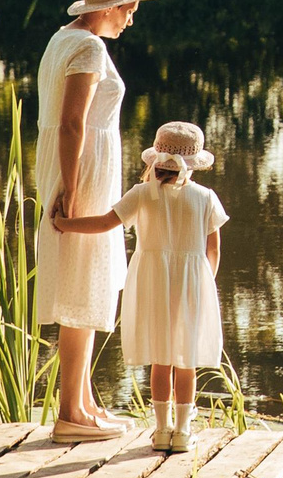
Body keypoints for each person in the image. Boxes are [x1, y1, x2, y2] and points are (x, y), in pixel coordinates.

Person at [34, 0, 158, 443]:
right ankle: (71, 413)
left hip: (77, 168)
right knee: (82, 285)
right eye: (129, 9)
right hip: (80, 172)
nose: (131, 19)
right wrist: (69, 186)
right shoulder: (88, 46)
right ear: (110, 7)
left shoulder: (61, 39)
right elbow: (71, 123)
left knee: (83, 284)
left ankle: (82, 402)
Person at [54, 120, 228, 451]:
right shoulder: (206, 197)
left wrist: (65, 223)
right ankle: (183, 432)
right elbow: (213, 250)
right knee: (185, 360)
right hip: (192, 284)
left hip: (152, 281)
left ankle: (161, 430)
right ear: (194, 163)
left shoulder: (141, 194)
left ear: (156, 159)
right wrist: (205, 283)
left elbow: (105, 223)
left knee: (160, 358)